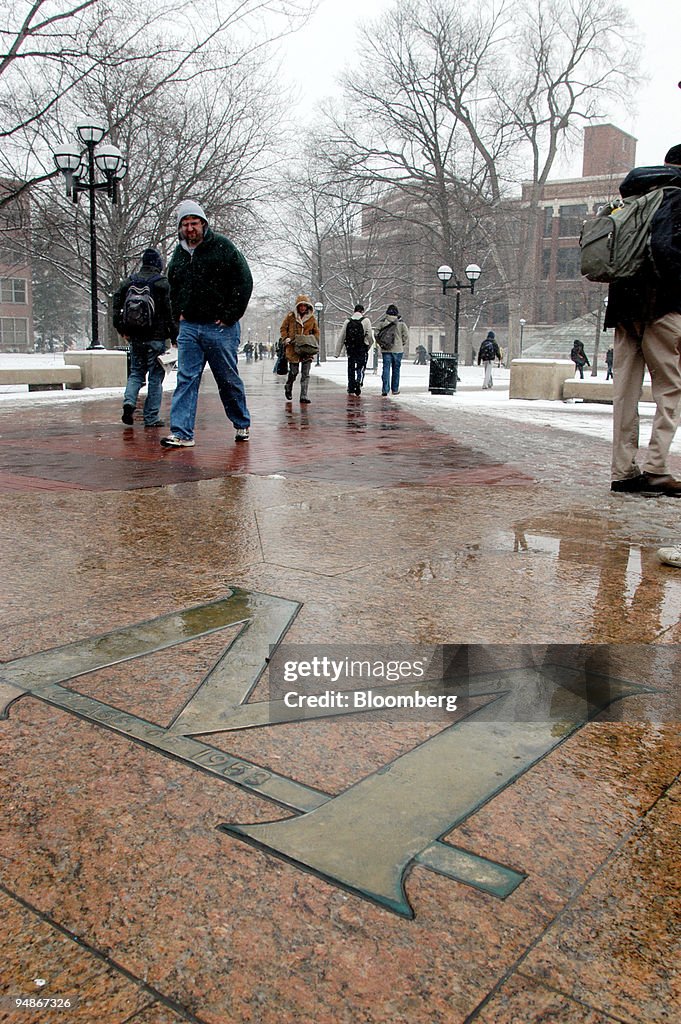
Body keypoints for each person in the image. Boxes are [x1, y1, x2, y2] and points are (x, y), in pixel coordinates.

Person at [607, 145, 681, 496]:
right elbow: (667, 250)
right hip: (662, 308)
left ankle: (622, 471)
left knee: (625, 392)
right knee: (671, 388)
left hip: (624, 309)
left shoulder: (635, 196)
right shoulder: (676, 196)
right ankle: (655, 467)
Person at [160, 200, 253, 448]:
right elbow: (173, 288)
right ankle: (181, 432)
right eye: (185, 224)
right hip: (190, 327)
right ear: (180, 227)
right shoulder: (178, 255)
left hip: (219, 327)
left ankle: (241, 421)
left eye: (194, 223)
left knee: (227, 378)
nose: (190, 228)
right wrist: (177, 314)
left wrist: (230, 314)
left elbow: (244, 281)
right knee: (186, 378)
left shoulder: (222, 247)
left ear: (203, 223)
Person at [113, 248, 177, 428]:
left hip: (135, 337)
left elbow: (116, 303)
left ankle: (129, 402)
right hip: (157, 338)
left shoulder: (130, 282)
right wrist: (174, 336)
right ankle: (151, 417)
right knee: (156, 379)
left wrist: (120, 327)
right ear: (158, 264)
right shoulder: (162, 283)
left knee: (135, 373)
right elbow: (169, 312)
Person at [280, 295, 320, 404]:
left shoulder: (311, 318)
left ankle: (304, 395)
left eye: (304, 306)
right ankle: (288, 386)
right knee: (294, 372)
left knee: (305, 374)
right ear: (297, 306)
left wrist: (313, 340)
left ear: (307, 307)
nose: (302, 308)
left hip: (307, 349)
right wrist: (285, 338)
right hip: (293, 348)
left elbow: (316, 331)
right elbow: (283, 328)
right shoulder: (290, 316)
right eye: (300, 306)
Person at [335, 303, 374, 395]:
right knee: (360, 366)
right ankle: (358, 381)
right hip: (361, 347)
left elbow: (342, 336)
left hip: (351, 348)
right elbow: (369, 336)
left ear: (354, 311)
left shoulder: (347, 321)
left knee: (351, 366)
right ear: (362, 311)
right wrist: (368, 346)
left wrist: (337, 352)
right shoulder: (366, 321)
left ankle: (351, 386)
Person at [374, 304, 409, 395]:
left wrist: (381, 343)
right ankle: (395, 389)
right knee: (396, 370)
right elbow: (406, 336)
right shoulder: (401, 323)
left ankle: (385, 389)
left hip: (386, 350)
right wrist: (401, 344)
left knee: (386, 369)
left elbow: (376, 334)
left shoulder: (382, 322)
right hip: (398, 350)